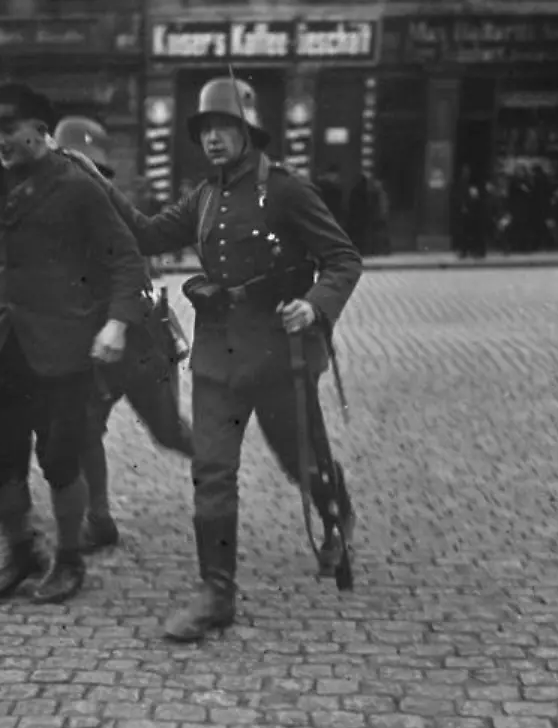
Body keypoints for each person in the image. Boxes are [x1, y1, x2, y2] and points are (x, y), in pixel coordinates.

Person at [80, 77, 363, 642]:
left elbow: (343, 258)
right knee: (212, 472)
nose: (212, 139)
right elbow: (149, 234)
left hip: (278, 356)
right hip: (217, 356)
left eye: (223, 128)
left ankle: (337, 512)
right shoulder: (204, 197)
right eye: (205, 131)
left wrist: (314, 305)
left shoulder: (286, 190)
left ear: (247, 132)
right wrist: (96, 183)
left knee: (301, 462)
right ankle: (216, 592)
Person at [0, 83, 148, 605]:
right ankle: (21, 549)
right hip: (2, 343)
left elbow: (126, 257)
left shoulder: (76, 184)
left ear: (39, 131)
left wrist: (117, 323)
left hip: (63, 348)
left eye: (7, 131)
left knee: (60, 459)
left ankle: (69, 560)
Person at [52, 115, 194, 551]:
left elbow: (134, 270)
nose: (91, 177)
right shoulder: (54, 209)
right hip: (93, 339)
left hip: (141, 340)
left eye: (98, 170)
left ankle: (218, 463)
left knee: (168, 431)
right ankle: (99, 518)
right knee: (85, 425)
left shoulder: (112, 208)